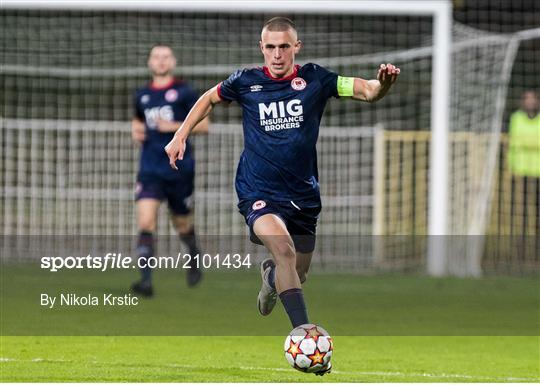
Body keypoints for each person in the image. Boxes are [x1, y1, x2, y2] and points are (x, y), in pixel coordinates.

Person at [165, 17, 399, 374]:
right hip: (258, 191)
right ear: (262, 48)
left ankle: (271, 280)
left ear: (296, 47)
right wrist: (182, 134)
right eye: (270, 47)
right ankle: (305, 335)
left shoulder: (317, 79)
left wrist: (382, 84)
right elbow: (208, 99)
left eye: (284, 47)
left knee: (297, 272)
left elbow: (366, 90)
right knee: (284, 250)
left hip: (303, 195)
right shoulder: (246, 81)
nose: (277, 54)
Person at [132, 44, 209, 296]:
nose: (161, 61)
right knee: (145, 220)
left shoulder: (184, 92)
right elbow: (137, 123)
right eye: (156, 57)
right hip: (150, 168)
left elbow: (204, 125)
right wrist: (136, 130)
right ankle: (145, 282)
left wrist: (173, 127)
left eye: (166, 57)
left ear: (173, 62)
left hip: (179, 169)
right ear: (149, 63)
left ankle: (194, 254)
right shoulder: (141, 95)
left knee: (182, 223)